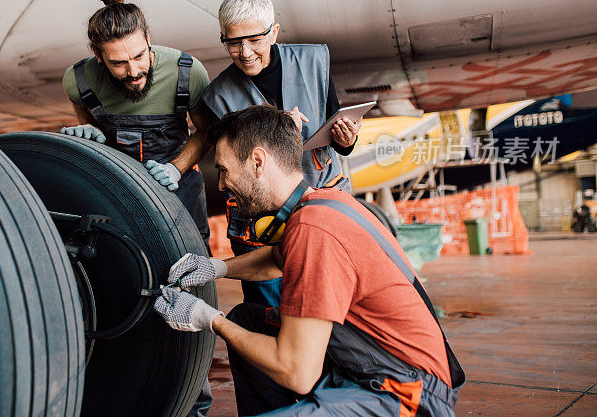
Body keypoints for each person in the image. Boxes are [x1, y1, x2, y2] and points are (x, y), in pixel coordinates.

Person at [154, 105, 464, 416]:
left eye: (224, 170)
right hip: (386, 361)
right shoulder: (325, 201)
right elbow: (277, 257)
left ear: (258, 162)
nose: (221, 185)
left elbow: (297, 373)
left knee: (258, 342)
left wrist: (210, 319)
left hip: (407, 391)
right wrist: (216, 267)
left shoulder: (312, 229)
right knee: (247, 320)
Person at [62, 0, 214, 416]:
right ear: (98, 58)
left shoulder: (188, 71)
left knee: (188, 292)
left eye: (140, 56)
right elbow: (89, 126)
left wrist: (178, 167)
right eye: (118, 63)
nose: (132, 71)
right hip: (118, 195)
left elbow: (205, 133)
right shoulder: (78, 80)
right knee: (122, 289)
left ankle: (194, 404)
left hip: (177, 194)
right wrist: (86, 137)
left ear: (149, 40)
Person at [201, 0, 360, 308]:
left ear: (274, 32)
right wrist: (276, 128)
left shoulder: (314, 61)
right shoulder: (217, 96)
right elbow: (233, 162)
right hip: (261, 219)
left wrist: (347, 140)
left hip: (320, 200)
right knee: (270, 315)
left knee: (333, 304)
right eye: (233, 42)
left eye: (254, 40)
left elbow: (336, 134)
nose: (245, 52)